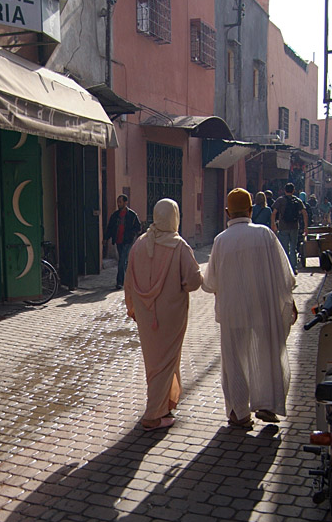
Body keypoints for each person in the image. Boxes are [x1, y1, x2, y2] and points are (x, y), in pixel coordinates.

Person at [202, 188, 297, 430]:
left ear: (226, 212)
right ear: (251, 210)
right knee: (267, 353)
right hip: (263, 308)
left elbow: (210, 283)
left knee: (235, 360)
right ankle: (267, 404)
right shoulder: (264, 235)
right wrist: (290, 302)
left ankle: (240, 413)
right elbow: (285, 275)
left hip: (233, 310)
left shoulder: (221, 240)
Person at [124, 198, 202, 430]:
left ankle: (165, 405)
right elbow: (194, 281)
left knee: (154, 362)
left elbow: (128, 281)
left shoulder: (139, 244)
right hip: (172, 316)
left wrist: (133, 308)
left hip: (146, 317)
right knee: (166, 361)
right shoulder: (178, 246)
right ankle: (153, 414)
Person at [104, 194, 141, 289]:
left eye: (120, 202)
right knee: (124, 261)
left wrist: (132, 234)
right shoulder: (115, 215)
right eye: (118, 202)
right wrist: (106, 238)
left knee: (121, 261)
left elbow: (138, 227)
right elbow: (110, 227)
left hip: (127, 241)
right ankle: (129, 280)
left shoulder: (132, 215)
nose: (118, 204)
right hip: (118, 240)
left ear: (125, 202)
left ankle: (119, 282)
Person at [271, 182, 308, 274]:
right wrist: (306, 227)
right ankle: (293, 267)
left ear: (284, 190)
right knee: (293, 248)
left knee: (284, 248)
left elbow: (274, 213)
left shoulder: (280, 200)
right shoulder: (298, 201)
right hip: (294, 226)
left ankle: (286, 268)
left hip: (283, 227)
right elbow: (304, 213)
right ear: (293, 190)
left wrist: (273, 224)